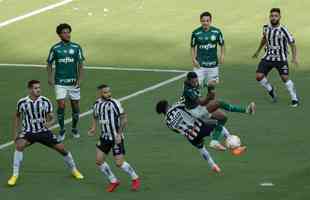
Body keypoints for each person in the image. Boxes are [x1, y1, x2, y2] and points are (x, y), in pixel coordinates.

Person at [7, 80, 83, 186]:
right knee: (19, 146)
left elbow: (52, 117)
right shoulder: (22, 102)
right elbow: (17, 116)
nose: (38, 90)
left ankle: (74, 170)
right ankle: (15, 175)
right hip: (29, 132)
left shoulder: (45, 101)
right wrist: (15, 133)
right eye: (35, 88)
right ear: (30, 89)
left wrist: (50, 122)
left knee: (62, 149)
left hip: (43, 132)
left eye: (39, 88)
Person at [181, 72, 255, 151]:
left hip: (199, 108)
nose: (195, 83)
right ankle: (247, 110)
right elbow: (202, 102)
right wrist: (209, 97)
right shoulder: (187, 90)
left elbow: (203, 85)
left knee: (223, 117)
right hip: (195, 111)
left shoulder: (194, 83)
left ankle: (214, 141)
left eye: (196, 81)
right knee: (219, 103)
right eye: (193, 82)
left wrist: (209, 85)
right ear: (188, 80)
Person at [88, 84, 140, 192]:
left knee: (119, 163)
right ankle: (113, 181)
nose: (108, 94)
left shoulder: (114, 103)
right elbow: (95, 116)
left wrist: (119, 134)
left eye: (109, 92)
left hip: (116, 137)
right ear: (100, 93)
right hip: (104, 137)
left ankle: (135, 178)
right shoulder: (97, 104)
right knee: (99, 161)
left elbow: (124, 118)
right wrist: (93, 127)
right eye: (105, 92)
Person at [253, 8, 299, 107]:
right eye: (272, 16)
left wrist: (294, 57)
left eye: (276, 16)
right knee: (259, 76)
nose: (273, 18)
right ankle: (271, 90)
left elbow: (292, 44)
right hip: (268, 57)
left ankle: (294, 98)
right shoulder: (266, 27)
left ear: (279, 17)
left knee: (285, 78)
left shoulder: (283, 30)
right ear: (270, 17)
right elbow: (264, 39)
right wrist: (258, 51)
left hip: (281, 59)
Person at [47, 23, 85, 141]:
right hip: (60, 83)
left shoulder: (76, 47)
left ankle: (74, 128)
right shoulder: (55, 49)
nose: (67, 34)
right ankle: (62, 130)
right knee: (61, 105)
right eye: (64, 32)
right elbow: (49, 63)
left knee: (75, 106)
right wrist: (50, 77)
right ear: (59, 35)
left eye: (68, 32)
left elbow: (81, 64)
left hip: (73, 83)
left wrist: (80, 79)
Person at [191, 11, 225, 91]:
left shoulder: (217, 32)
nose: (205, 23)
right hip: (200, 64)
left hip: (213, 64)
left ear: (210, 21)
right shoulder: (195, 33)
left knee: (213, 85)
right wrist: (193, 59)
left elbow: (222, 44)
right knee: (194, 85)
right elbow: (192, 47)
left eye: (207, 21)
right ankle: (195, 102)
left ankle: (205, 87)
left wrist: (222, 55)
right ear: (200, 21)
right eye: (203, 21)